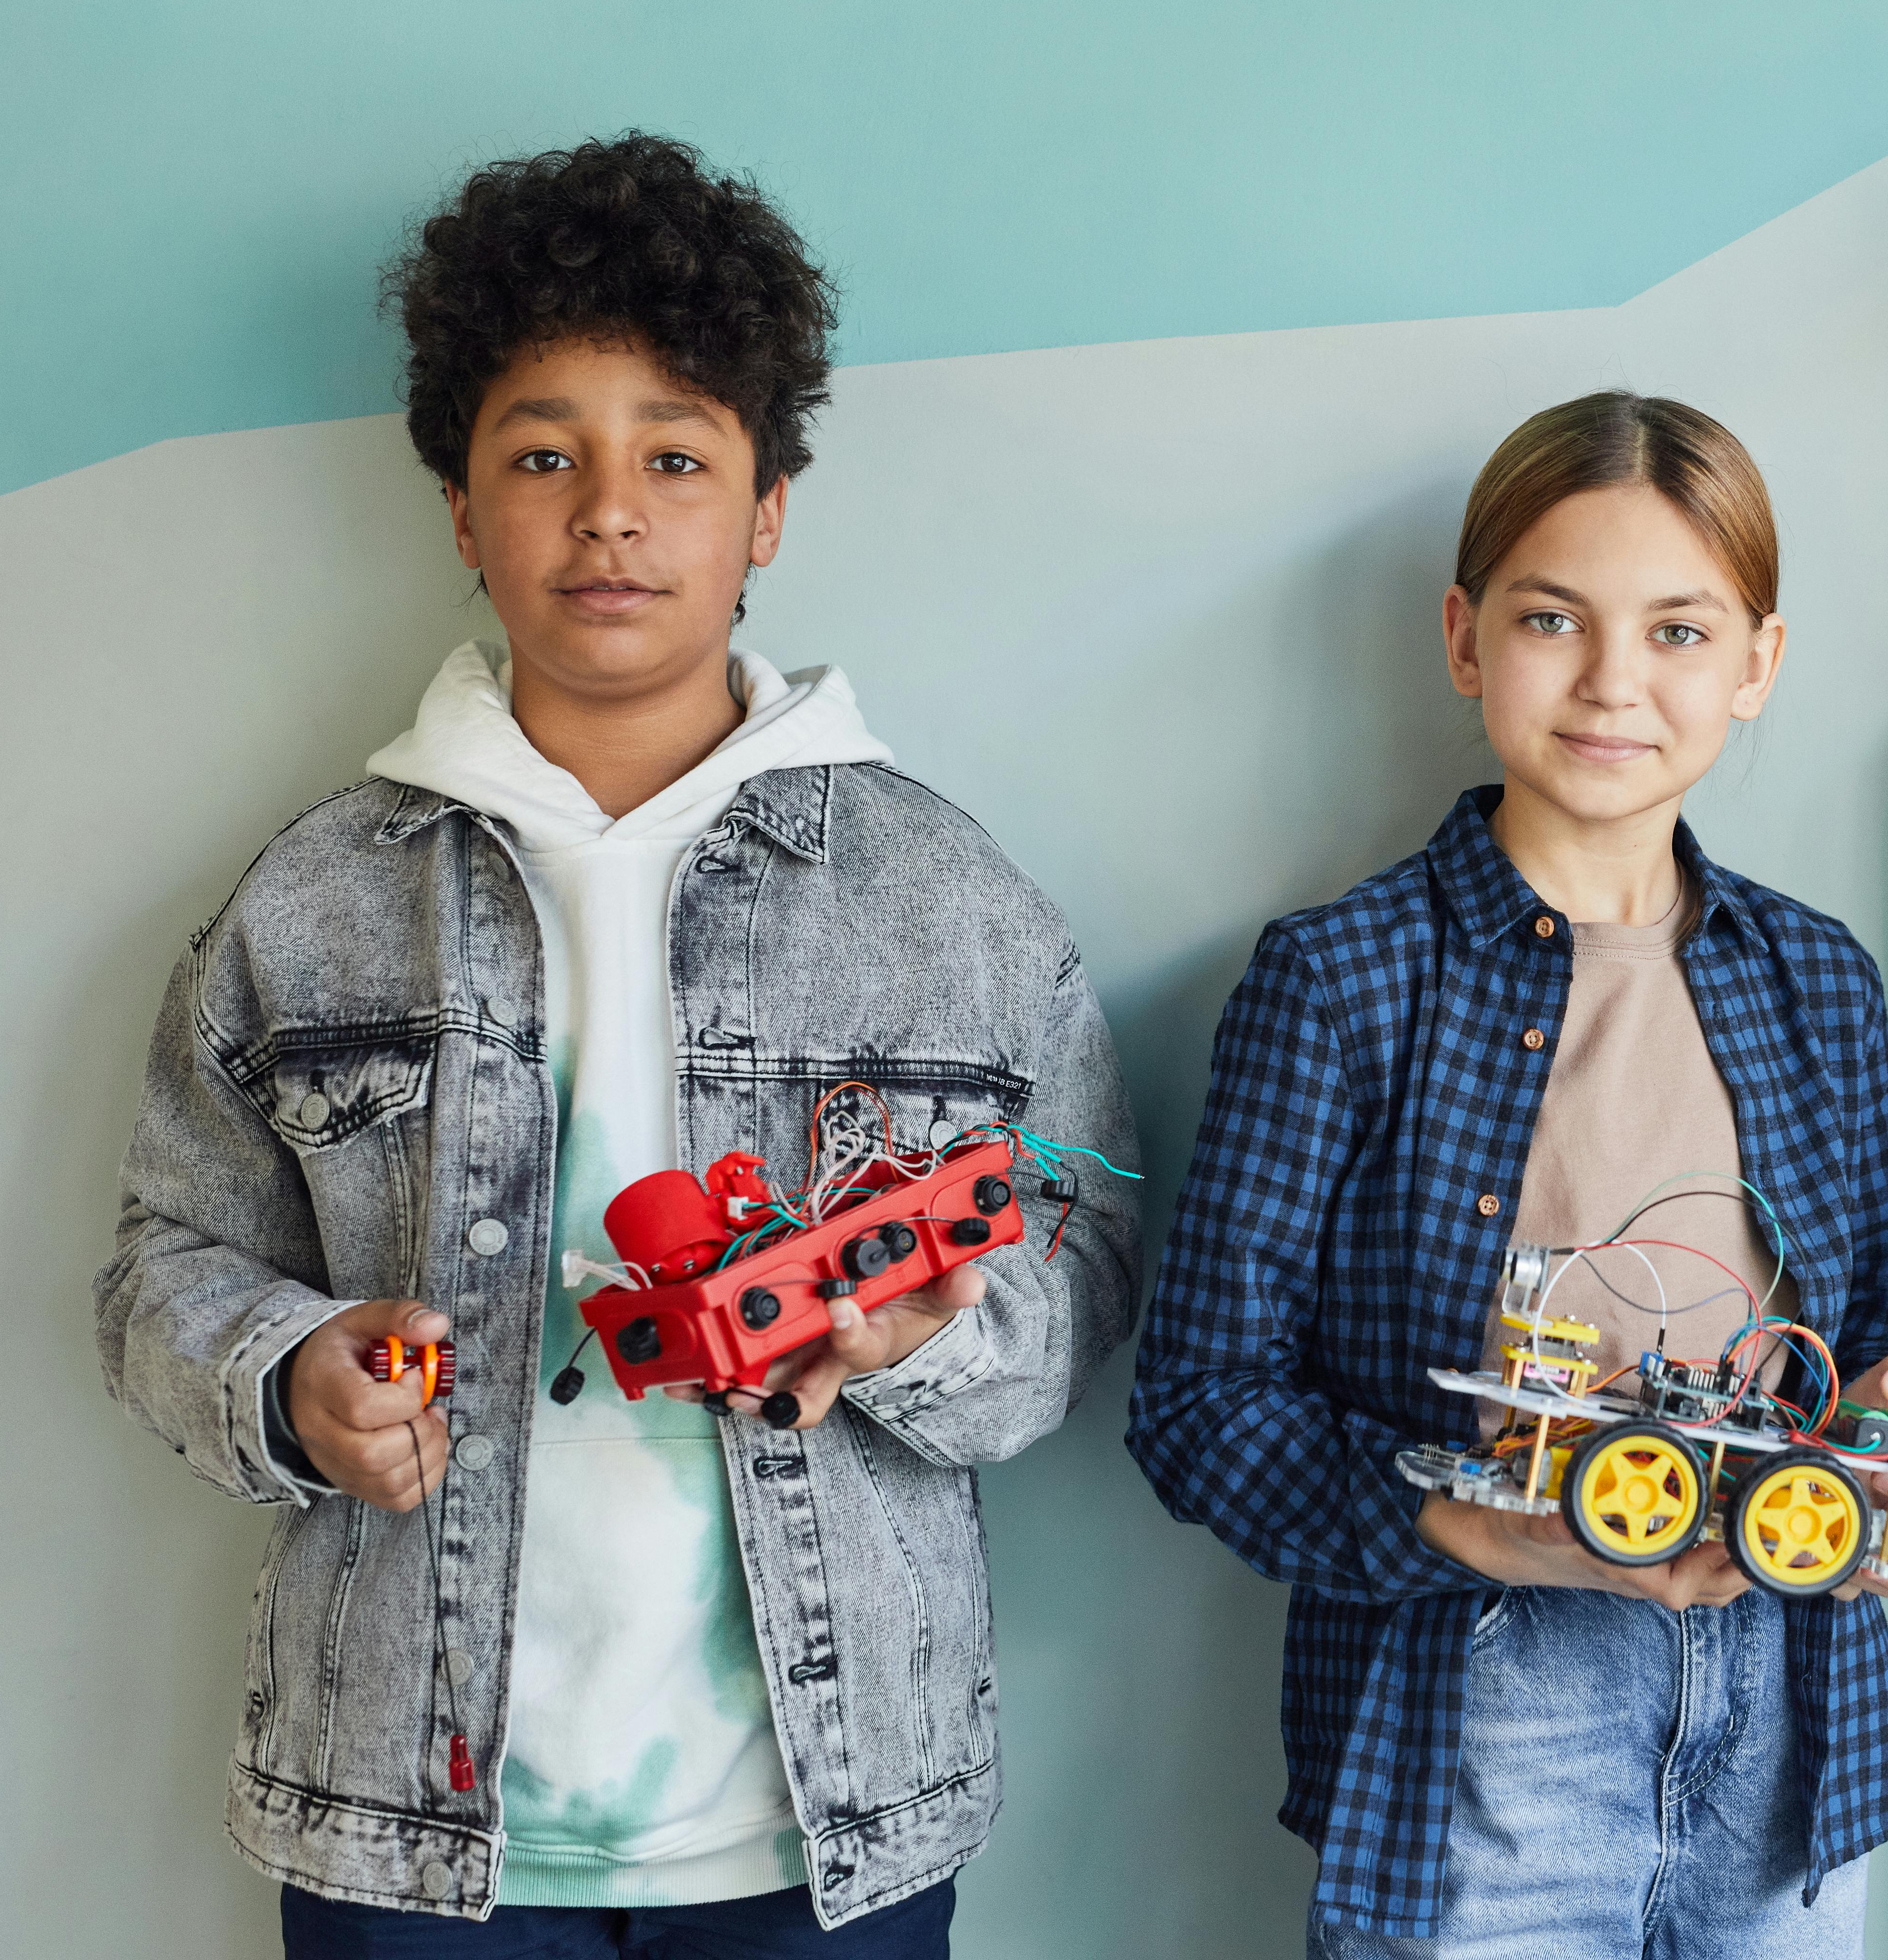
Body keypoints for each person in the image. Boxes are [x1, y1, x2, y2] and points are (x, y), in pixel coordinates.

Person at [94, 134, 1141, 1955]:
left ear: (769, 507)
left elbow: (1090, 1258)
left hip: (827, 1828)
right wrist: (289, 1372)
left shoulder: (951, 901)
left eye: (675, 453)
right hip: (408, 1832)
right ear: (459, 503)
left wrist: (919, 1333)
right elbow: (156, 1271)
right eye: (542, 454)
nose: (609, 512)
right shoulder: (317, 896)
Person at [1128, 391, 1888, 1957]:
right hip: (1483, 1714)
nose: (1612, 683)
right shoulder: (1341, 981)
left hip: (1794, 1708)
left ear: (1758, 668)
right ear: (1465, 639)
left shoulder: (1819, 980)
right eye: (1551, 620)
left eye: (1677, 632)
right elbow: (1198, 1405)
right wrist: (1469, 1529)